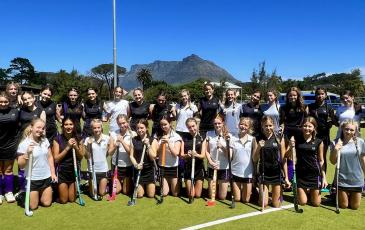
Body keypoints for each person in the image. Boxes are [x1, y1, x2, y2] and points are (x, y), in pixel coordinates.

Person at [17, 118, 57, 210]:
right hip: (33, 179)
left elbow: (50, 157)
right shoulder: (24, 144)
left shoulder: (45, 141)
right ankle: (22, 195)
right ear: (31, 127)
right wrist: (27, 153)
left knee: (46, 203)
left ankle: (39, 194)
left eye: (43, 128)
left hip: (46, 177)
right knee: (33, 206)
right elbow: (21, 165)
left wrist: (52, 173)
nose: (40, 130)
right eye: (38, 127)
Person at [289, 117, 327, 207]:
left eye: (310, 126)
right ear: (302, 127)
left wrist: (324, 178)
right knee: (302, 202)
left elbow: (321, 161)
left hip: (314, 174)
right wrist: (291, 146)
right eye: (305, 126)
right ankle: (302, 191)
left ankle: (310, 192)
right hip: (301, 174)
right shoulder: (296, 140)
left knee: (316, 203)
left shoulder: (319, 141)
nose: (307, 128)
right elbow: (288, 156)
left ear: (314, 128)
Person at [330, 120, 365, 210]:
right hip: (342, 179)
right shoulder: (336, 142)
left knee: (354, 206)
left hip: (356, 179)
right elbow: (333, 161)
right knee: (344, 205)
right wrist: (336, 149)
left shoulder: (360, 142)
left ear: (356, 131)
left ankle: (344, 194)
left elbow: (363, 159)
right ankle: (336, 193)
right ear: (342, 129)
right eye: (346, 129)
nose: (349, 132)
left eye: (352, 130)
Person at [254, 116, 287, 208]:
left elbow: (284, 159)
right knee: (263, 204)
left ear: (273, 125)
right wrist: (258, 148)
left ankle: (279, 194)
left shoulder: (279, 138)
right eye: (266, 126)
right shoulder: (257, 138)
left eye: (270, 125)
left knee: (277, 205)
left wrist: (286, 177)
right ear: (262, 126)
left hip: (276, 173)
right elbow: (254, 158)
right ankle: (262, 194)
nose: (268, 128)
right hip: (264, 172)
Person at [18, 91, 46, 195]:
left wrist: (42, 142)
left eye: (29, 98)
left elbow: (43, 128)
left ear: (34, 98)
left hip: (37, 141)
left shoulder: (40, 111)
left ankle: (35, 185)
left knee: (34, 162)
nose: (27, 101)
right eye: (25, 99)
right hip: (23, 141)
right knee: (22, 164)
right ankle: (22, 188)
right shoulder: (21, 110)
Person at [279, 87, 308, 182]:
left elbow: (307, 121)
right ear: (287, 96)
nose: (292, 97)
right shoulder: (283, 108)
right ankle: (287, 177)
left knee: (300, 155)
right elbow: (282, 122)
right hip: (287, 133)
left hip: (300, 133)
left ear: (298, 96)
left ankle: (299, 178)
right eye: (290, 95)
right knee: (286, 156)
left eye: (294, 95)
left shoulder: (304, 107)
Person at [53, 118, 84, 203]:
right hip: (62, 172)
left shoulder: (79, 138)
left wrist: (76, 147)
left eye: (71, 124)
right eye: (66, 124)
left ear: (74, 126)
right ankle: (55, 192)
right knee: (63, 200)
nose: (68, 127)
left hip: (73, 172)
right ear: (62, 126)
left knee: (72, 199)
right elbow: (56, 159)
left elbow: (81, 157)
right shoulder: (57, 139)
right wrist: (68, 147)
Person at [150, 116, 182, 197]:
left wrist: (168, 142)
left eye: (165, 124)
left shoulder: (176, 136)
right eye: (161, 125)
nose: (163, 127)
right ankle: (166, 182)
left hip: (173, 167)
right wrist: (161, 145)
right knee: (164, 193)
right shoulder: (158, 136)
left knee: (175, 194)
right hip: (162, 166)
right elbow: (157, 153)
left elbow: (176, 153)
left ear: (170, 124)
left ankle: (178, 182)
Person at [84, 119, 115, 198]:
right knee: (93, 194)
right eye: (94, 128)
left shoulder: (107, 138)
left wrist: (115, 145)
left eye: (98, 127)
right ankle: (91, 184)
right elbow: (87, 157)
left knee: (101, 193)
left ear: (101, 127)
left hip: (103, 169)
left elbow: (109, 153)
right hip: (92, 169)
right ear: (91, 129)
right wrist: (88, 146)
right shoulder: (88, 139)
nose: (97, 130)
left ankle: (107, 186)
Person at [308, 88, 337, 172]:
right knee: (312, 156)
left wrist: (332, 120)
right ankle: (314, 178)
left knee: (322, 157)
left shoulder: (329, 108)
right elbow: (307, 120)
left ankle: (323, 180)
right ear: (315, 95)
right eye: (318, 94)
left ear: (325, 95)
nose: (320, 96)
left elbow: (335, 122)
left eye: (322, 94)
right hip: (313, 135)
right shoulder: (310, 107)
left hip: (324, 136)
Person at [204, 114, 232, 200]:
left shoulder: (228, 136)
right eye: (215, 123)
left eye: (219, 123)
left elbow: (230, 156)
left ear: (223, 123)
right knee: (211, 195)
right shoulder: (209, 134)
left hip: (224, 167)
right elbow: (206, 151)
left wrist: (223, 147)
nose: (217, 125)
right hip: (212, 166)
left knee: (222, 197)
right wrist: (210, 162)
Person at [0, 92, 20, 204]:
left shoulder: (15, 111)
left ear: (9, 101)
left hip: (10, 145)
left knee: (8, 170)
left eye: (5, 101)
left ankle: (8, 192)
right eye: (1, 101)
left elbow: (19, 127)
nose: (3, 104)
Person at [231, 117, 257, 203]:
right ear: (238, 125)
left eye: (246, 125)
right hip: (235, 172)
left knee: (246, 200)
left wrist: (254, 173)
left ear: (249, 127)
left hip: (248, 173)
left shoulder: (252, 139)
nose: (243, 126)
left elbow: (255, 158)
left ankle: (256, 193)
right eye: (241, 124)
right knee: (237, 199)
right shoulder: (232, 138)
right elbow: (230, 156)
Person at [129, 119, 156, 198]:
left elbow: (153, 156)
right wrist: (136, 165)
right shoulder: (134, 140)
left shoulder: (152, 140)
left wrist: (148, 145)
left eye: (142, 128)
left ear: (146, 128)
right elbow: (131, 156)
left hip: (149, 170)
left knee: (151, 195)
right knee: (140, 195)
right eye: (138, 128)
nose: (139, 130)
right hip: (139, 170)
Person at [180, 118, 206, 200]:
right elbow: (181, 155)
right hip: (188, 168)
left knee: (198, 195)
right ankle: (187, 184)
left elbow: (202, 156)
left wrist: (196, 154)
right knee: (191, 195)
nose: (192, 129)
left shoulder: (202, 137)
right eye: (189, 127)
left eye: (193, 126)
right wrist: (187, 155)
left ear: (196, 125)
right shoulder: (184, 137)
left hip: (198, 169)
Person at [109, 115, 133, 195]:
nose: (122, 125)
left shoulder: (133, 134)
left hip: (128, 166)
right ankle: (111, 182)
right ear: (117, 124)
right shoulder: (113, 134)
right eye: (120, 124)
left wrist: (122, 141)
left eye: (124, 123)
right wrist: (115, 145)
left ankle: (130, 181)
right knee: (117, 190)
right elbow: (110, 153)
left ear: (128, 122)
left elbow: (131, 152)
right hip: (116, 165)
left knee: (126, 191)